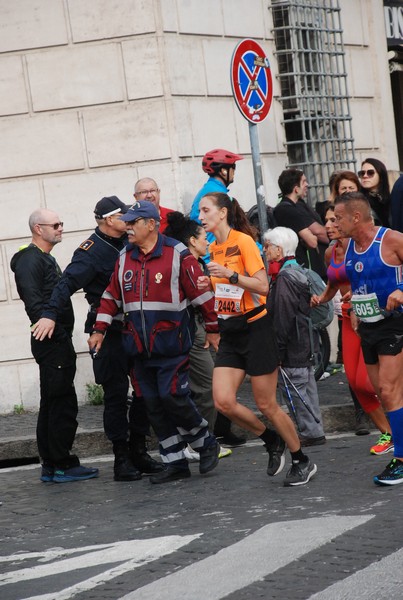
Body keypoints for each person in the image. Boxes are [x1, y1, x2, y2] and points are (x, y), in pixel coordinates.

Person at [30, 197, 163, 482]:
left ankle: (139, 450)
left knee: (144, 391)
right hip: (108, 332)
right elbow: (66, 283)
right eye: (123, 217)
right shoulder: (90, 252)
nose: (128, 221)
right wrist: (50, 314)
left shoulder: (131, 242)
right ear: (106, 220)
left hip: (136, 329)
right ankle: (121, 458)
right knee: (116, 395)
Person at [88, 200, 221, 484]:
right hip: (138, 347)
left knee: (173, 397)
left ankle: (205, 442)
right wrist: (99, 329)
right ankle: (175, 462)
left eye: (133, 222)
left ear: (150, 224)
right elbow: (111, 296)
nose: (127, 227)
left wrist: (212, 329)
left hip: (171, 344)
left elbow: (201, 297)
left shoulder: (178, 253)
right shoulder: (124, 255)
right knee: (153, 404)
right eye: (127, 221)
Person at [197, 192, 317, 487]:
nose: (200, 216)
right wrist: (210, 282)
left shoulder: (244, 242)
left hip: (256, 329)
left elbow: (263, 286)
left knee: (266, 404)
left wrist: (230, 276)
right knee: (223, 401)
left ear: (222, 213)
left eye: (205, 210)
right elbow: (228, 292)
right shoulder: (214, 247)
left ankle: (302, 459)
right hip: (230, 331)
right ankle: (270, 439)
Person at [10, 209, 99, 483]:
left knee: (53, 401)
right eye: (56, 225)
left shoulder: (43, 258)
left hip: (54, 340)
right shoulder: (29, 260)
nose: (61, 228)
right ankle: (61, 464)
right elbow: (33, 301)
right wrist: (58, 333)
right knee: (61, 403)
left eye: (61, 223)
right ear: (39, 228)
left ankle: (52, 464)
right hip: (51, 342)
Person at [333, 192, 403, 485]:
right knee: (382, 393)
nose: (334, 223)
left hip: (395, 323)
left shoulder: (391, 240)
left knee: (388, 390)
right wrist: (355, 302)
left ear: (356, 217)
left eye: (338, 218)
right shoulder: (348, 248)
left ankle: (400, 459)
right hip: (368, 327)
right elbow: (357, 279)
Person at [312, 203, 393, 454]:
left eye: (334, 220)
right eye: (327, 221)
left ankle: (396, 428)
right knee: (357, 384)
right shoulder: (329, 253)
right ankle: (388, 434)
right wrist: (320, 299)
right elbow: (333, 283)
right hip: (348, 320)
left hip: (373, 318)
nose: (329, 226)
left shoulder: (363, 247)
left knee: (375, 384)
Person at [164, 211, 246, 450]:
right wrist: (212, 327)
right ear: (192, 240)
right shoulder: (186, 263)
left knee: (212, 385)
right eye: (203, 237)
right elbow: (203, 300)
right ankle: (202, 443)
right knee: (209, 387)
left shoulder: (197, 262)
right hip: (197, 329)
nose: (207, 242)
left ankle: (211, 436)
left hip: (205, 327)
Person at [263, 226, 326, 446]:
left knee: (296, 390)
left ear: (279, 250)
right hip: (304, 343)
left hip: (293, 347)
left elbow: (282, 318)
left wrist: (277, 350)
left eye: (268, 246)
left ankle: (309, 433)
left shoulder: (285, 278)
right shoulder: (297, 271)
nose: (265, 251)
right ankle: (314, 429)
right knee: (307, 388)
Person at [274, 168, 329, 280]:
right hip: (298, 268)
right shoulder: (289, 209)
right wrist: (308, 237)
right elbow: (313, 242)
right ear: (296, 189)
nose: (307, 184)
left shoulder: (284, 207)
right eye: (303, 182)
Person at [190, 148, 243, 247]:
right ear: (223, 171)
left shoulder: (207, 190)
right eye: (233, 167)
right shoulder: (217, 195)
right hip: (215, 251)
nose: (234, 171)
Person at [358, 158, 390, 227]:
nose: (365, 176)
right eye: (362, 173)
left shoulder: (390, 198)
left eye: (370, 172)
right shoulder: (358, 200)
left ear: (380, 175)